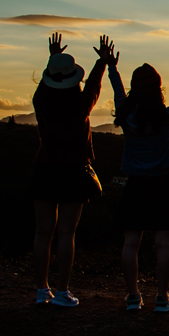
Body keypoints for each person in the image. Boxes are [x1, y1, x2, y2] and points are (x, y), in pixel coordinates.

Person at [109, 39, 169, 312]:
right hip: (161, 185)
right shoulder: (165, 117)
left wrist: (111, 67)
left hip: (135, 185)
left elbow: (117, 89)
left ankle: (133, 297)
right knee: (163, 243)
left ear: (135, 88)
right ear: (158, 88)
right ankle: (162, 297)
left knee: (131, 242)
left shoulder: (126, 117)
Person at [31, 33, 109, 307]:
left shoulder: (40, 101)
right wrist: (102, 61)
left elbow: (47, 84)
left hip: (44, 168)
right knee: (66, 233)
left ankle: (42, 290)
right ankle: (63, 291)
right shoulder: (80, 104)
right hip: (74, 171)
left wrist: (53, 58)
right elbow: (95, 86)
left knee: (43, 233)